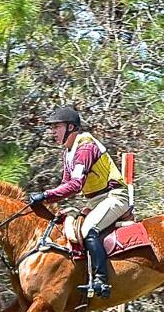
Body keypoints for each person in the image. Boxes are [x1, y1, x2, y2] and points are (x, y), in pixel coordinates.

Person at [26, 106, 129, 298]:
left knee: (89, 229)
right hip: (96, 200)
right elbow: (66, 184)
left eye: (57, 127)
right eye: (52, 128)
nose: (53, 132)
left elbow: (75, 185)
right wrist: (45, 199)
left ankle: (101, 280)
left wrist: (45, 195)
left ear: (71, 127)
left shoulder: (85, 148)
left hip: (115, 196)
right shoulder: (68, 152)